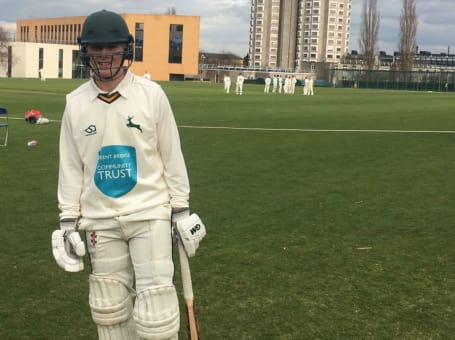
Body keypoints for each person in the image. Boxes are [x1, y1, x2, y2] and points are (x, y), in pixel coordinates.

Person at [51, 10, 206, 340]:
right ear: (86, 52)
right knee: (109, 312)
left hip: (149, 214)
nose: (105, 55)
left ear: (126, 50)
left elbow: (172, 156)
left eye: (112, 47)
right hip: (99, 220)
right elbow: (70, 167)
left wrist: (181, 210)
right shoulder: (75, 103)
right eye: (97, 48)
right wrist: (67, 222)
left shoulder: (152, 95)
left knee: (157, 316)